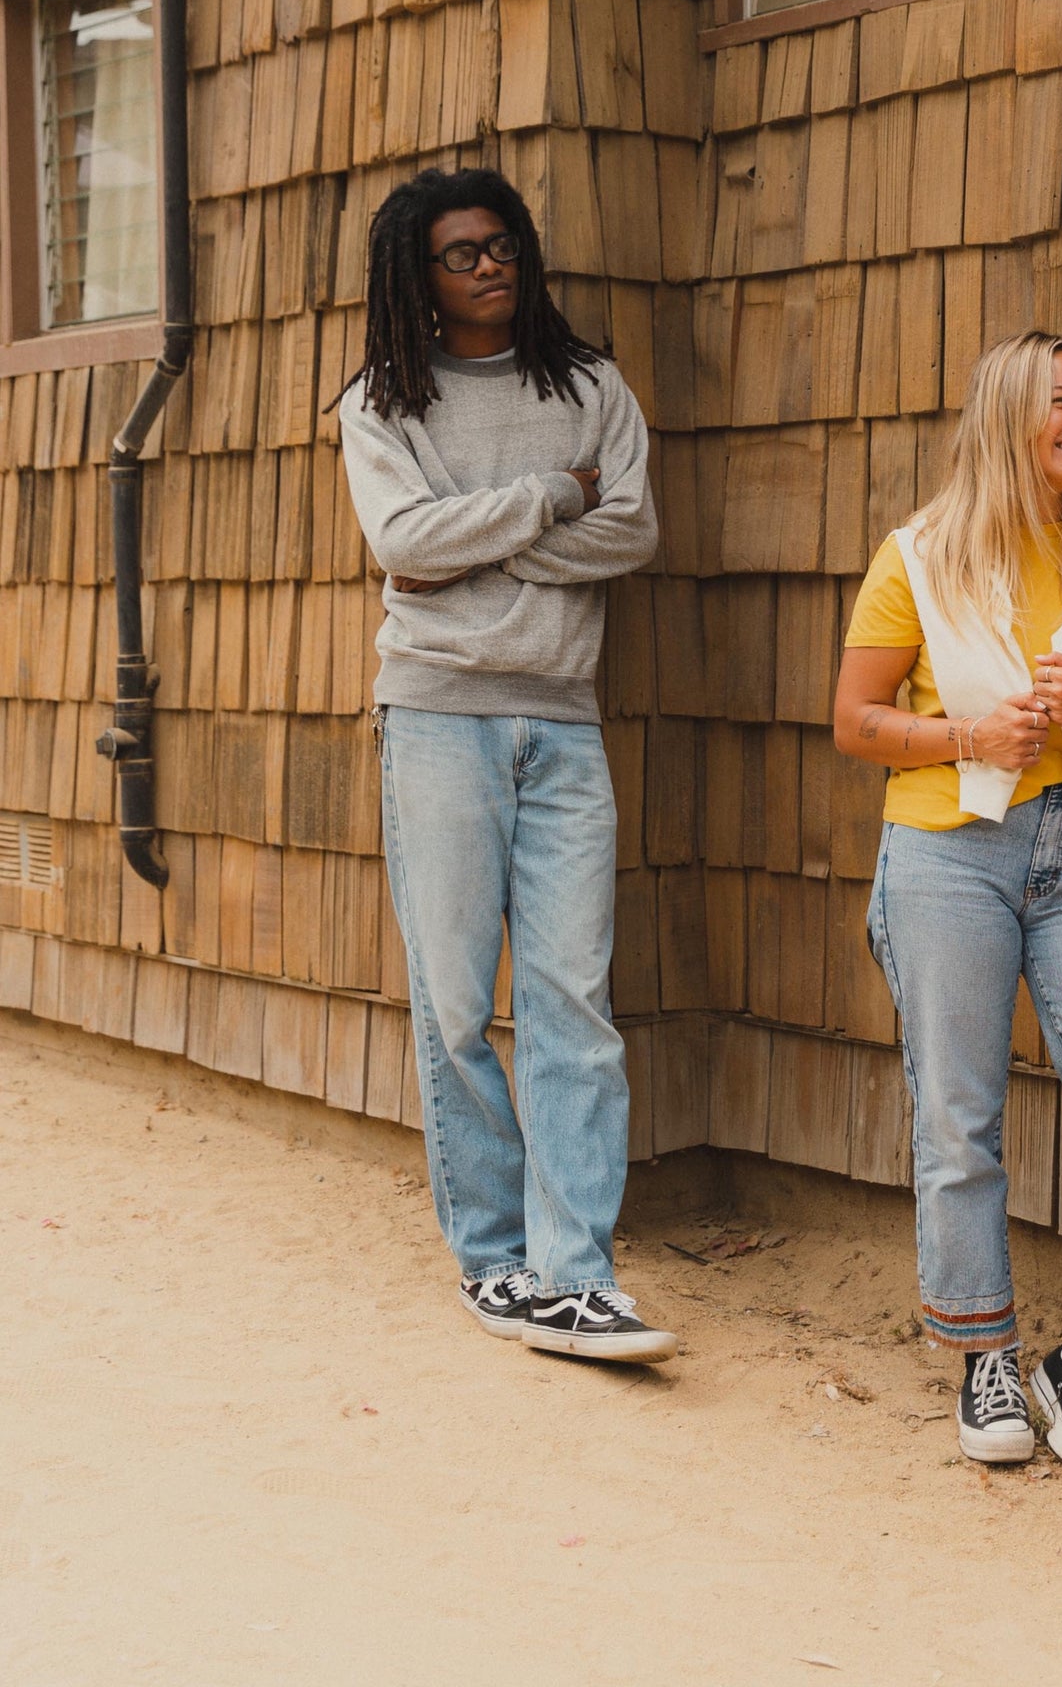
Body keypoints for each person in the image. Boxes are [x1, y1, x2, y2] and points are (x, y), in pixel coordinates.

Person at [832, 332, 1062, 1479]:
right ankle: (982, 1349)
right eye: (1058, 402)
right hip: (947, 850)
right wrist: (967, 736)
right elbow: (853, 718)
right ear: (1005, 419)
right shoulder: (920, 556)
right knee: (958, 1113)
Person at [339, 167, 675, 1364]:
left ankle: (576, 1273)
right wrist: (546, 497)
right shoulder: (383, 404)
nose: (490, 266)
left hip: (563, 723)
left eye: (502, 245)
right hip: (436, 719)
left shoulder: (589, 384)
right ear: (416, 278)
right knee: (452, 995)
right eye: (461, 254)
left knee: (572, 1000)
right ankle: (494, 1258)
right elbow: (400, 542)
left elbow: (630, 528)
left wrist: (476, 550)